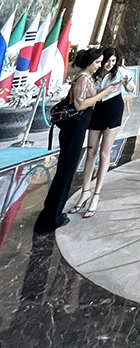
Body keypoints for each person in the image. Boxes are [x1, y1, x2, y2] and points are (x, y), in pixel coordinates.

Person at [34, 48, 120, 233]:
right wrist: (103, 93)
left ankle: (53, 212)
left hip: (77, 127)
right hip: (74, 128)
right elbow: (80, 104)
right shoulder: (83, 78)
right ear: (89, 62)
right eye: (97, 62)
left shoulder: (87, 78)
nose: (99, 66)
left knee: (67, 169)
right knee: (65, 171)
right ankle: (52, 217)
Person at [71, 47, 135, 219]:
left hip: (113, 109)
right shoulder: (94, 72)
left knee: (105, 152)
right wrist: (103, 91)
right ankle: (85, 191)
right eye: (107, 60)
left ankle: (96, 193)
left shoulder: (120, 72)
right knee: (90, 151)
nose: (109, 64)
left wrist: (126, 84)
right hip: (96, 109)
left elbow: (131, 88)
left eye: (113, 61)